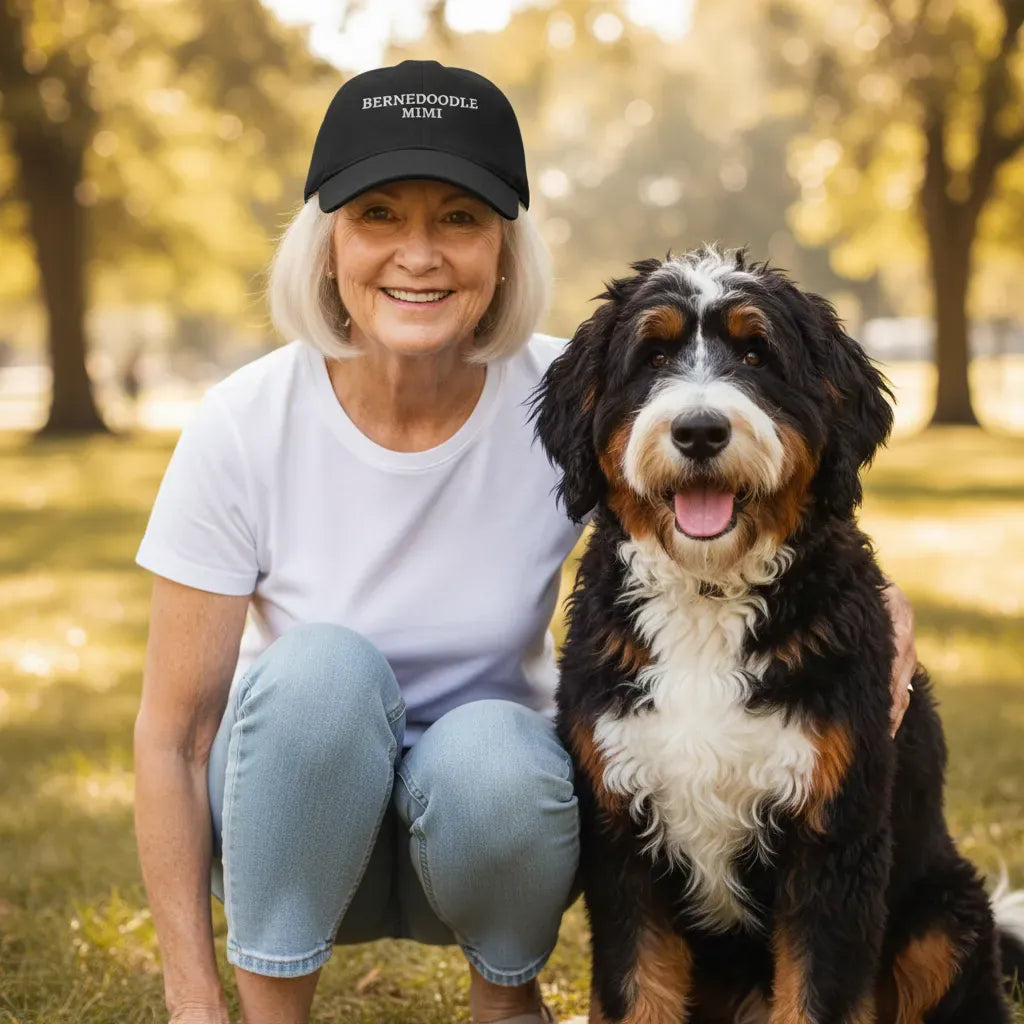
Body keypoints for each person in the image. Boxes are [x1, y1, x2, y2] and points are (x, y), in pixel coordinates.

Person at [132, 60, 919, 1024]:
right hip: (295, 818)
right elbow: (173, 738)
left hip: (486, 827)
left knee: (498, 755)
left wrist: (884, 615)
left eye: (458, 218)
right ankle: (266, 1014)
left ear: (505, 246)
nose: (416, 254)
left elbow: (789, 475)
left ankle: (505, 1003)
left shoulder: (583, 391)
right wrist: (189, 991)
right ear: (324, 239)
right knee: (319, 677)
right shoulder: (242, 421)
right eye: (378, 213)